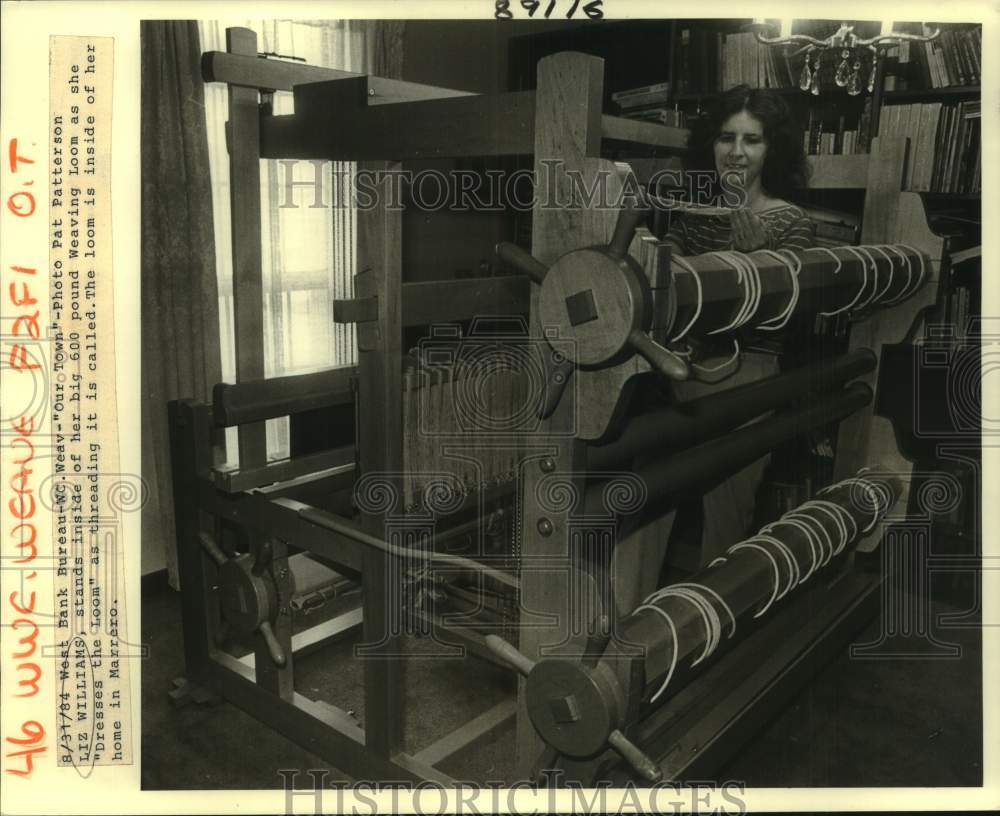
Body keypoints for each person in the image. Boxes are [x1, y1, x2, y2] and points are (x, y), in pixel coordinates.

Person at [615, 87, 816, 616]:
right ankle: (618, 636)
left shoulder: (791, 221)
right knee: (645, 498)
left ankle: (704, 633)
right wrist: (652, 258)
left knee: (726, 522)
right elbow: (664, 285)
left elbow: (788, 316)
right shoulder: (695, 213)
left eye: (753, 139)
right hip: (680, 374)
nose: (737, 151)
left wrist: (758, 262)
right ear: (712, 144)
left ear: (773, 150)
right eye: (727, 137)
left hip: (748, 377)